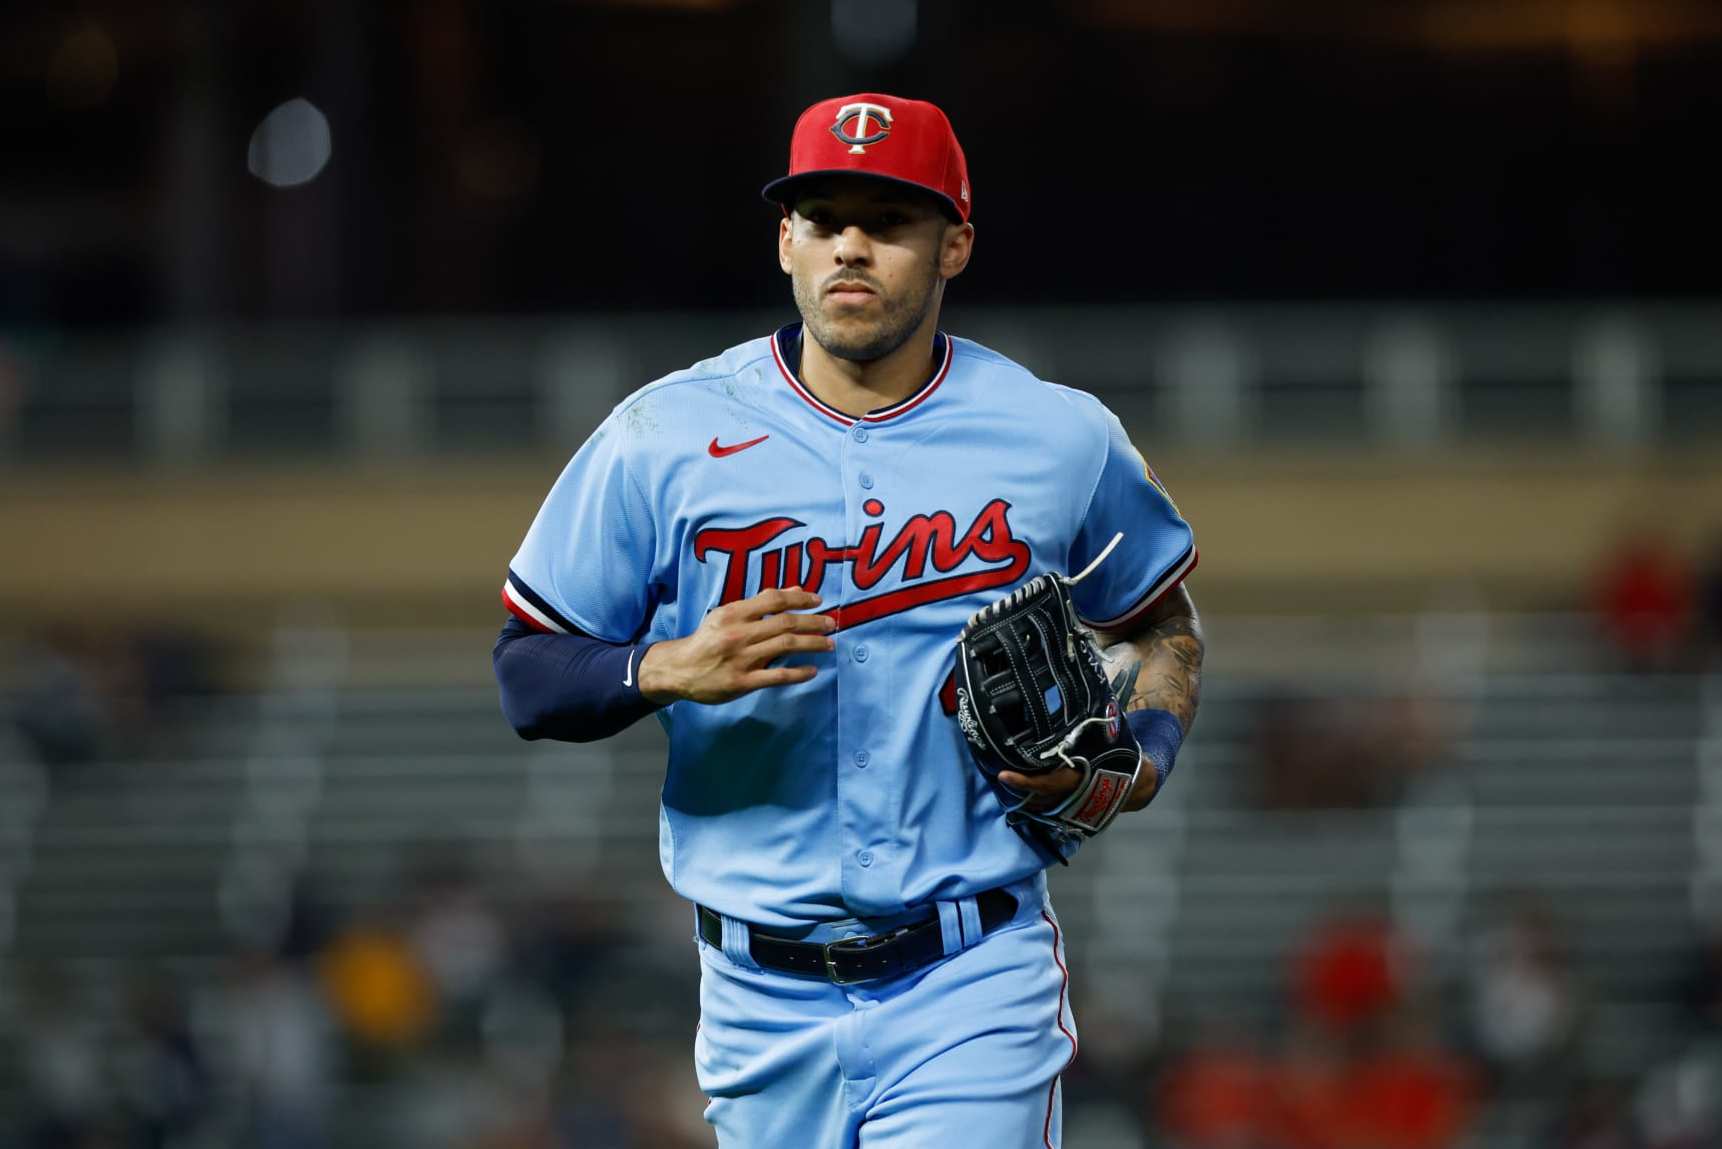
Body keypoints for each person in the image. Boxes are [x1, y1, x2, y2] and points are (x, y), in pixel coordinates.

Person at [492, 92, 1204, 1147]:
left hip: (974, 977)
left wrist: (1141, 754)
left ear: (956, 242)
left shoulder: (1057, 437)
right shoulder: (664, 434)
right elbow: (527, 673)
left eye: (891, 218)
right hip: (755, 996)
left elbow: (1162, 625)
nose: (852, 248)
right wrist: (656, 668)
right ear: (786, 240)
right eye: (824, 220)